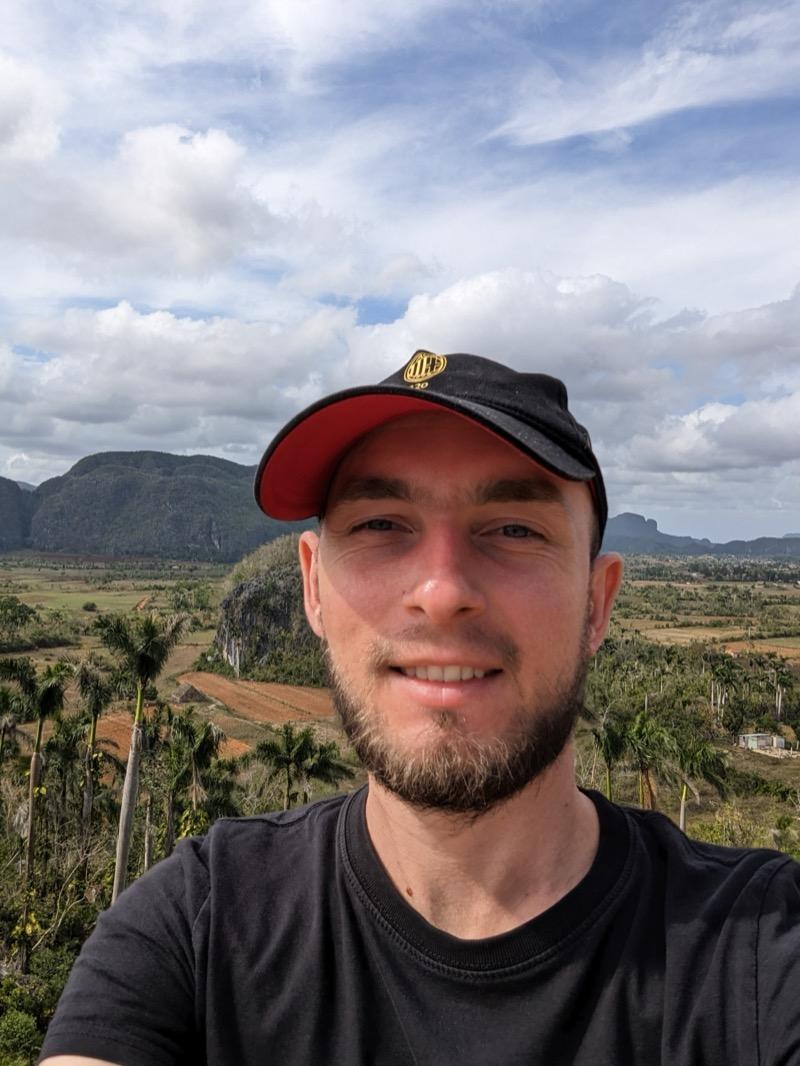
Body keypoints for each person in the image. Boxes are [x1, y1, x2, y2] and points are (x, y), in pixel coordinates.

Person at [40, 351, 800, 1066]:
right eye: (380, 526)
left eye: (513, 529)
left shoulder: (759, 946)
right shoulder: (200, 923)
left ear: (597, 605)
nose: (440, 592)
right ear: (312, 587)